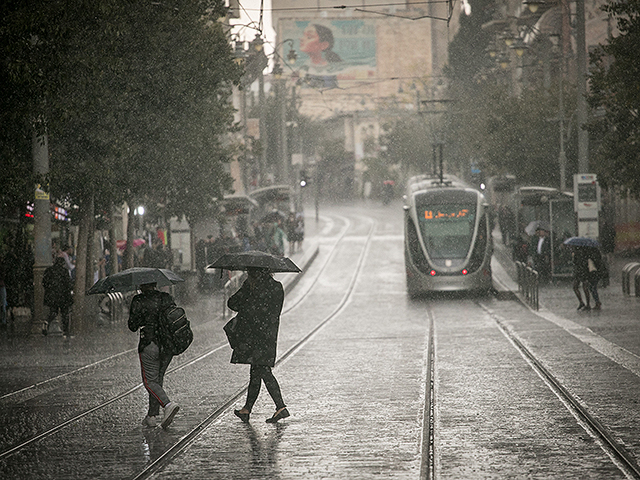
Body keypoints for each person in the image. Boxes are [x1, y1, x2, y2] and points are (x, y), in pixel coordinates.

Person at [228, 267, 289, 423]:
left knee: (262, 371)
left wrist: (245, 290)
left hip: (253, 336)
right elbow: (275, 310)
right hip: (268, 335)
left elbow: (232, 303)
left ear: (253, 273)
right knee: (257, 371)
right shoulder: (277, 287)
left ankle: (280, 407)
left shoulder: (251, 287)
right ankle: (246, 409)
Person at [128, 282, 180, 429]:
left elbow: (132, 326)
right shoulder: (166, 298)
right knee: (157, 379)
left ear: (141, 286)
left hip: (149, 343)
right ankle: (151, 416)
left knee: (150, 381)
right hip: (167, 345)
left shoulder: (138, 300)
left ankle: (168, 404)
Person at [42, 257, 74, 336]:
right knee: (65, 313)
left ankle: (47, 322)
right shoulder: (64, 271)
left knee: (53, 312)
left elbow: (44, 283)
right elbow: (68, 284)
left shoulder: (48, 271)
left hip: (52, 296)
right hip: (63, 296)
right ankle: (66, 331)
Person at [572, 246, 592, 311]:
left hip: (580, 271)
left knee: (577, 287)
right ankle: (586, 303)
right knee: (584, 288)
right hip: (584, 271)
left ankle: (583, 302)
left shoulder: (577, 253)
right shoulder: (586, 251)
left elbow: (575, 262)